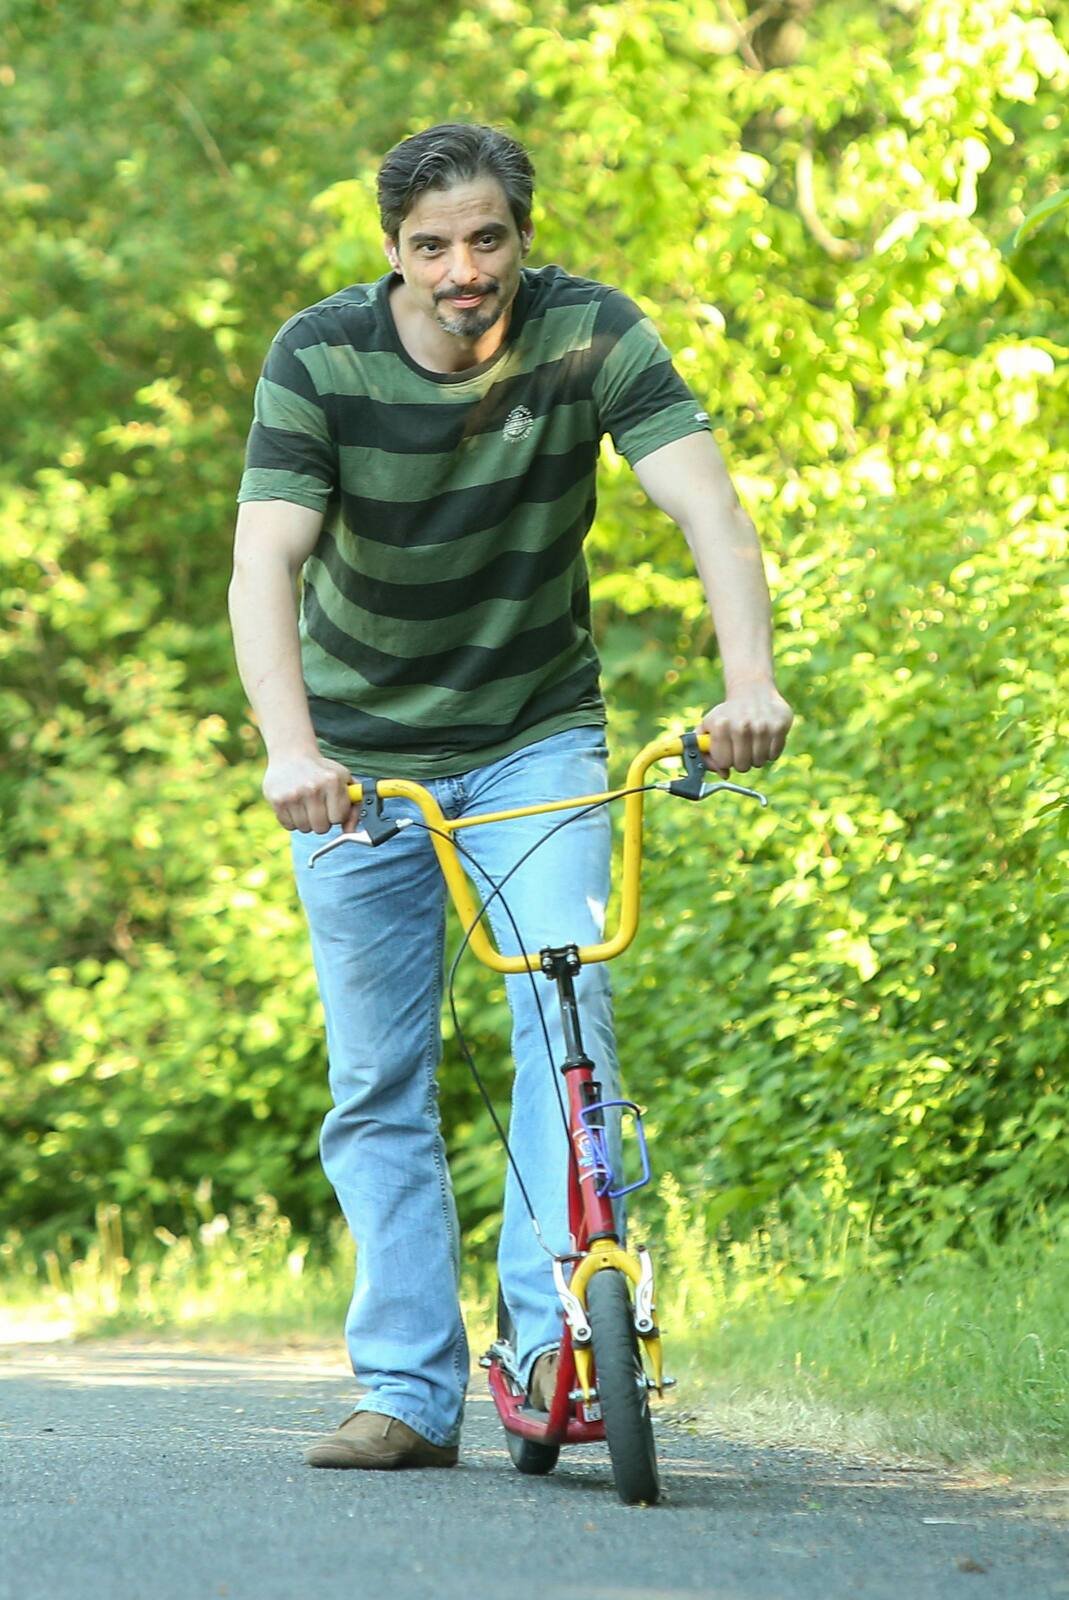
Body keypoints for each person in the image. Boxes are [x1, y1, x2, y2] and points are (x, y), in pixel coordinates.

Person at [228, 122, 792, 1471]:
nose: (460, 269)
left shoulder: (592, 336)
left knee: (560, 1001)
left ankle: (556, 1347)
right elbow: (266, 568)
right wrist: (289, 752)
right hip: (355, 757)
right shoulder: (319, 354)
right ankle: (407, 1396)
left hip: (533, 734)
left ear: (519, 241)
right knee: (377, 1076)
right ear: (392, 254)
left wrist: (748, 682)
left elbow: (707, 513)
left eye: (484, 239)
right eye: (430, 246)